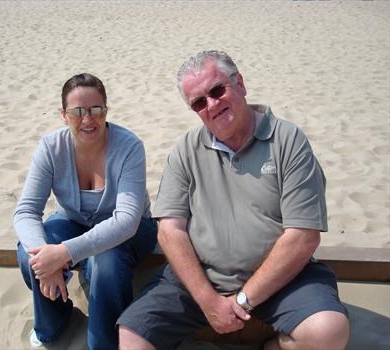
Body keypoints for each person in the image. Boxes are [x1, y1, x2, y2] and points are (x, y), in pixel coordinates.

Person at [117, 50, 349, 350]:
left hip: (285, 279)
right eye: (199, 102)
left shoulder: (288, 140)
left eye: (217, 90)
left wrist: (241, 300)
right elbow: (170, 229)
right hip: (201, 280)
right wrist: (208, 300)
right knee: (132, 337)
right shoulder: (186, 149)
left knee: (328, 331)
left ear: (239, 82)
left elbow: (303, 236)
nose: (212, 105)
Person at [14, 73, 157, 349]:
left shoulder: (129, 147)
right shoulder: (51, 147)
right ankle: (54, 324)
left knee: (106, 262)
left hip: (133, 230)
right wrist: (47, 261)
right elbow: (26, 211)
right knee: (29, 252)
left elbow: (127, 221)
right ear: (63, 114)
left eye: (95, 110)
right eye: (78, 111)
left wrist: (64, 253)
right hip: (75, 222)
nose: (88, 120)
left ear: (106, 110)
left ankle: (103, 342)